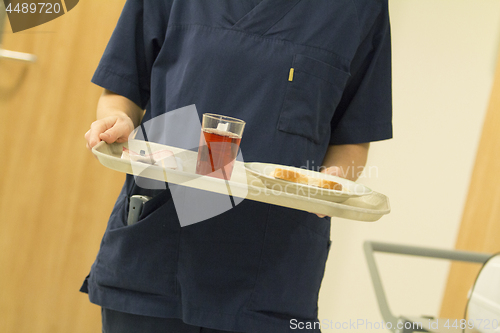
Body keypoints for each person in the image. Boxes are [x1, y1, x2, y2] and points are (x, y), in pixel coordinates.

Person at [82, 0, 392, 332]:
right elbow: (121, 90)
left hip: (270, 275)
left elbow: (353, 138)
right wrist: (117, 121)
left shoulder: (359, 8)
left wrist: (333, 181)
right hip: (157, 246)